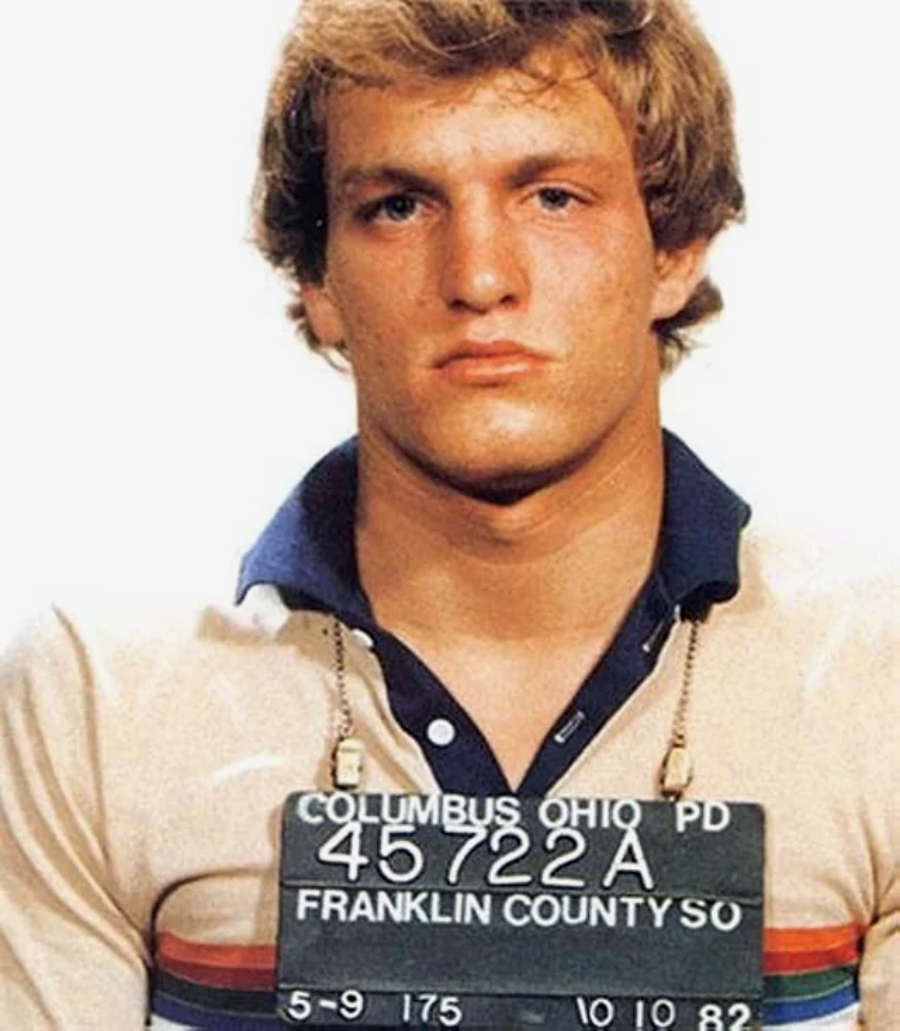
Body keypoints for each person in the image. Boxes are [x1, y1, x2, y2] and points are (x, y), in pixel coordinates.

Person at [1, 0, 896, 1028]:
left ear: (675, 247)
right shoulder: (100, 704)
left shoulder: (876, 683)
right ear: (318, 279)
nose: (479, 277)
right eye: (398, 206)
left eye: (553, 197)